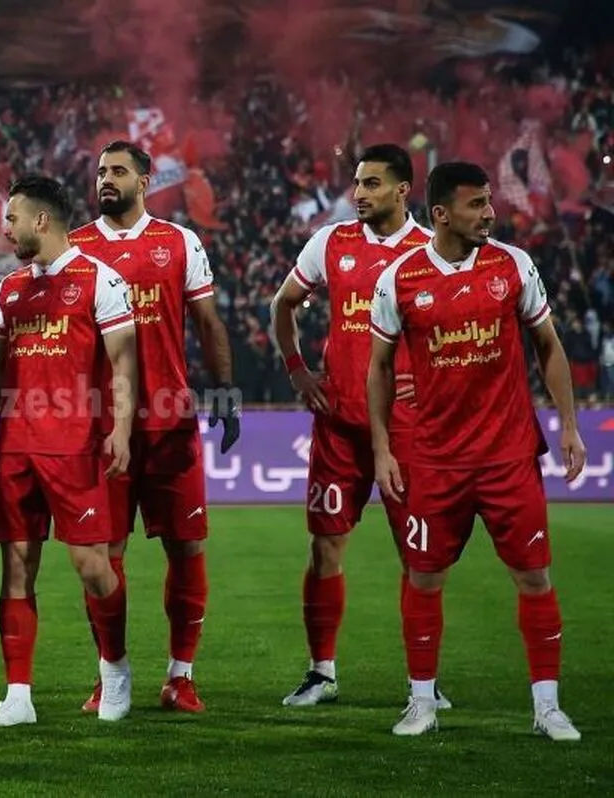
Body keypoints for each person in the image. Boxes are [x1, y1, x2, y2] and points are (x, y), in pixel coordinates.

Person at [368, 161, 585, 740]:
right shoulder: (399, 278)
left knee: (535, 577)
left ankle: (547, 707)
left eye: (489, 202)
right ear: (441, 214)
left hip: (508, 456)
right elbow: (379, 368)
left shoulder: (512, 265)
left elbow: (548, 345)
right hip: (435, 460)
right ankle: (421, 702)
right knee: (423, 579)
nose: (489, 213)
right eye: (476, 204)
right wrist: (383, 448)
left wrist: (569, 425)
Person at [0, 175, 138, 727]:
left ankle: (115, 669)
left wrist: (122, 430)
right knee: (16, 568)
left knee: (92, 566)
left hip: (76, 447)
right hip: (16, 447)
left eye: (11, 219)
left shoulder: (100, 280)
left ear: (41, 220)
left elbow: (123, 364)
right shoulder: (10, 289)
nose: (5, 230)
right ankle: (18, 695)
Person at [270, 144, 451, 709]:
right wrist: (297, 370)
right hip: (340, 425)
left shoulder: (432, 250)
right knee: (325, 547)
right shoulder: (331, 242)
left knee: (419, 556)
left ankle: (424, 683)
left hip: (408, 430)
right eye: (357, 183)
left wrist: (435, 388)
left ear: (403, 190)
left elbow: (454, 334)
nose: (358, 194)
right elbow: (283, 304)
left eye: (371, 184)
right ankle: (321, 672)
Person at [69, 140, 237, 713]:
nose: (106, 179)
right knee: (103, 555)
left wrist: (225, 389)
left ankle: (180, 677)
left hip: (171, 424)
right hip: (102, 430)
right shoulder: (76, 247)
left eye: (118, 171)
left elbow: (207, 321)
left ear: (144, 182)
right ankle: (110, 674)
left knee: (187, 547)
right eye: (101, 171)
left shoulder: (179, 241)